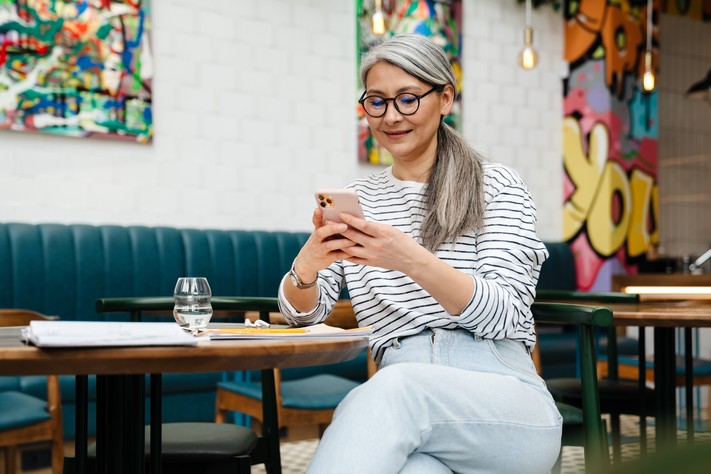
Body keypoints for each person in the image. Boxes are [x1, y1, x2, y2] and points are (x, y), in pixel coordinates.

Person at [278, 33, 562, 474]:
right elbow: (301, 316)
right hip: (403, 400)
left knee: (396, 389)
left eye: (408, 99)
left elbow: (505, 313)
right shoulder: (357, 200)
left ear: (445, 97)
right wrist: (308, 268)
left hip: (503, 402)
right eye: (377, 102)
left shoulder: (498, 185)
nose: (391, 117)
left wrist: (410, 258)